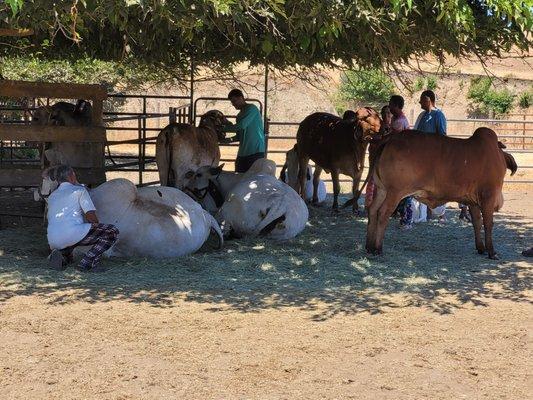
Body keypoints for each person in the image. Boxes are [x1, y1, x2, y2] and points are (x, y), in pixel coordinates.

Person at [46, 165, 119, 272]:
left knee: (71, 239)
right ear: (71, 176)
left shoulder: (53, 195)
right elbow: (90, 214)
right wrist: (97, 227)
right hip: (72, 233)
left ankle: (63, 257)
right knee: (111, 231)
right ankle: (87, 263)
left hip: (53, 239)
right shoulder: (79, 191)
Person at [413, 89, 447, 222]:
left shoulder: (438, 115)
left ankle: (439, 213)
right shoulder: (422, 116)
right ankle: (422, 215)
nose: (419, 102)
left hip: (432, 159)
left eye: (421, 99)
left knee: (434, 186)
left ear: (428, 100)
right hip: (419, 158)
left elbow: (442, 137)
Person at [223, 89, 266, 173]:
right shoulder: (239, 115)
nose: (233, 104)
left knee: (252, 179)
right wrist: (224, 140)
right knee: (239, 178)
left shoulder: (252, 108)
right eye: (232, 102)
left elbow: (241, 126)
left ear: (241, 98)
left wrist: (222, 128)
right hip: (243, 153)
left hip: (255, 151)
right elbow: (239, 136)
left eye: (234, 101)